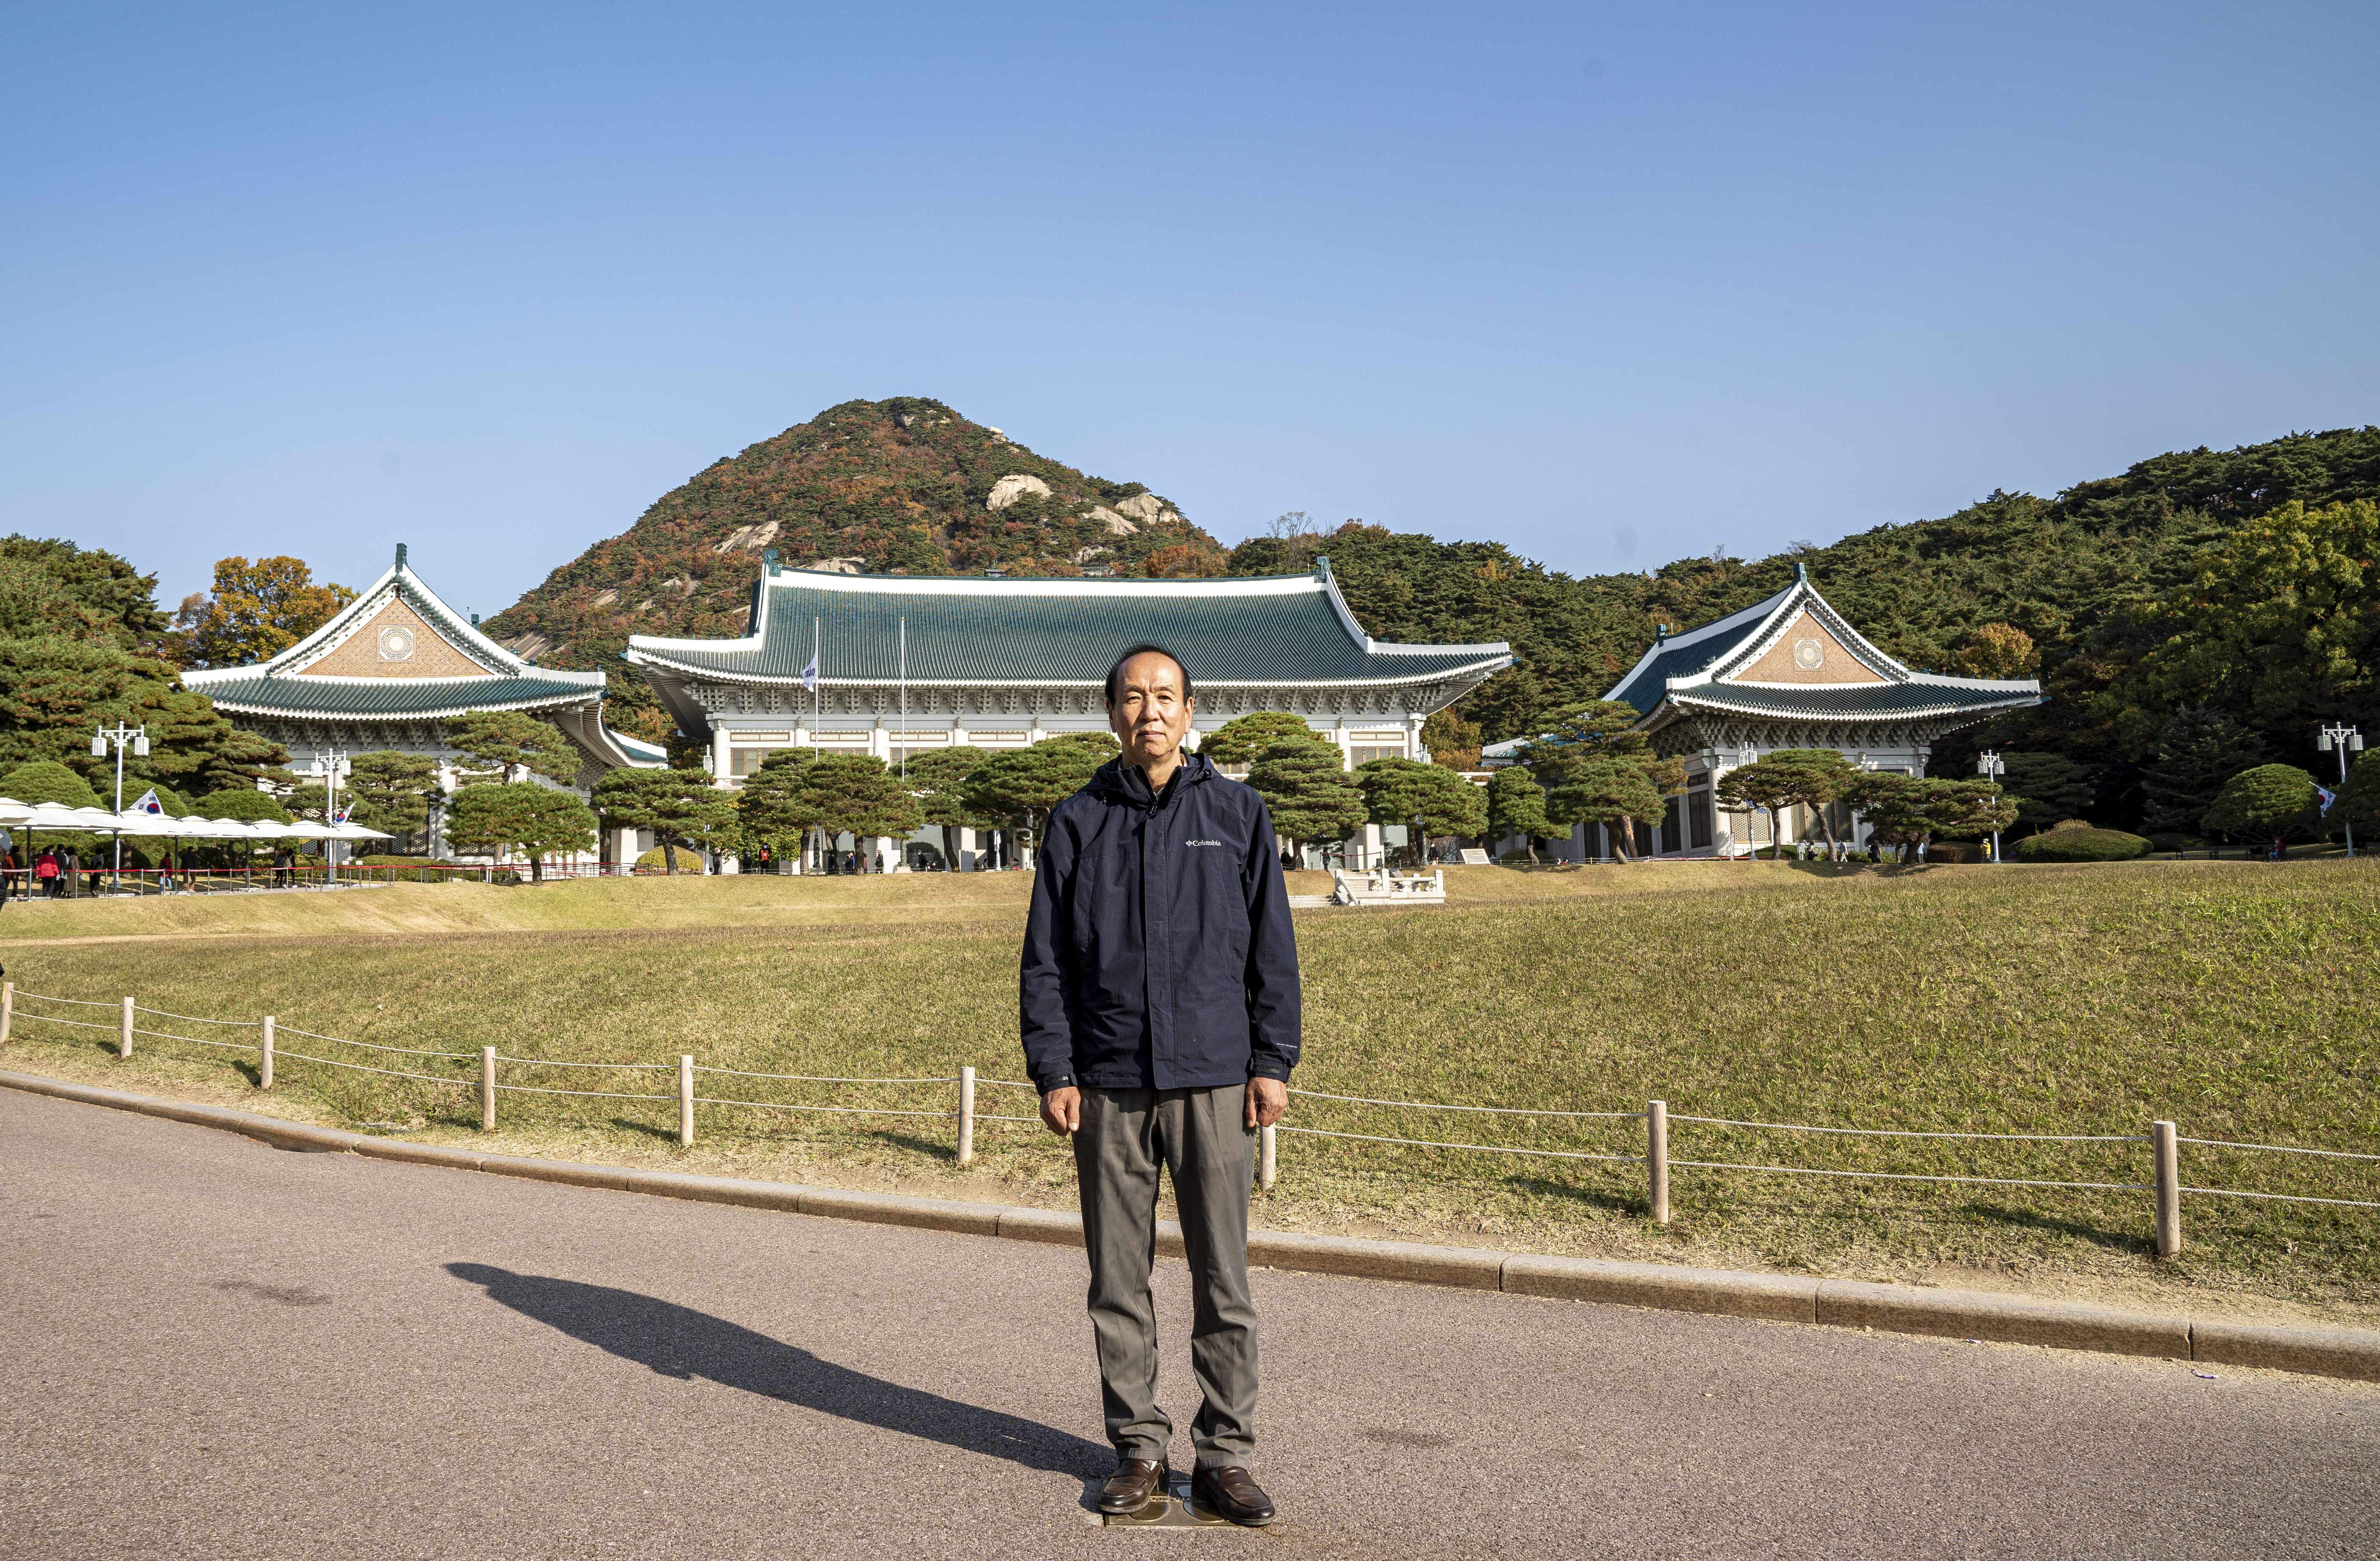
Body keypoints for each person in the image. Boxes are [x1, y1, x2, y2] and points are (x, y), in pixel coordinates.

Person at [1019, 643, 1299, 1528]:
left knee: (1223, 1278)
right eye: (1134, 697)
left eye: (1165, 696)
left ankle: (1225, 1455)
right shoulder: (1077, 821)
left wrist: (1272, 1060)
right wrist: (1055, 1068)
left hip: (1215, 1076)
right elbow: (1045, 961)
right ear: (1112, 713)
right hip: (1109, 1080)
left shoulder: (1238, 812)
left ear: (1189, 711)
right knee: (1117, 1277)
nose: (1150, 711)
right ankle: (1138, 1446)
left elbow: (1272, 949)